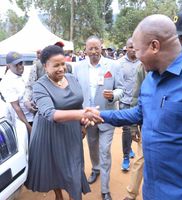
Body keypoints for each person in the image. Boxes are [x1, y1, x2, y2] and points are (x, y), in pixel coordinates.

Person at [88, 14, 182, 199]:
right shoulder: (151, 78)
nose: (135, 57)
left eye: (137, 50)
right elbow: (139, 113)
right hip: (152, 192)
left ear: (154, 46)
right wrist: (100, 115)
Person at [25, 45, 103, 200]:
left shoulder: (72, 79)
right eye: (56, 65)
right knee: (54, 169)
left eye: (63, 63)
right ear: (45, 66)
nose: (61, 68)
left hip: (71, 132)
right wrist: (82, 113)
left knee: (74, 170)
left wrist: (83, 123)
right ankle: (58, 195)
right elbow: (50, 114)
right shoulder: (39, 86)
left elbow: (78, 103)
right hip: (49, 134)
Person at [73, 35, 124, 200]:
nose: (94, 51)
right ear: (85, 50)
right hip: (88, 118)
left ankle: (105, 189)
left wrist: (113, 96)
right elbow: (75, 91)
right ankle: (95, 169)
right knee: (93, 146)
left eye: (97, 48)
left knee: (104, 150)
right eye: (90, 48)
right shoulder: (78, 67)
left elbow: (121, 89)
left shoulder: (113, 65)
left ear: (102, 47)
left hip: (107, 116)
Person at [118, 37, 141, 171]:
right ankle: (126, 156)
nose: (133, 49)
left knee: (137, 127)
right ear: (126, 47)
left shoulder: (143, 62)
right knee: (126, 129)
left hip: (140, 101)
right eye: (130, 47)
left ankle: (133, 149)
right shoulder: (119, 63)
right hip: (125, 101)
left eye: (135, 46)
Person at [123, 63, 146, 200]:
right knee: (141, 159)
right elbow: (136, 97)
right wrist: (133, 126)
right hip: (148, 124)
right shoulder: (142, 67)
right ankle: (131, 195)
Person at [0, 51, 34, 135]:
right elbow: (16, 108)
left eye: (21, 63)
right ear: (8, 66)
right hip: (22, 123)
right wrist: (29, 128)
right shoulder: (7, 81)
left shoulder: (22, 75)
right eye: (16, 64)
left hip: (32, 117)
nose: (20, 66)